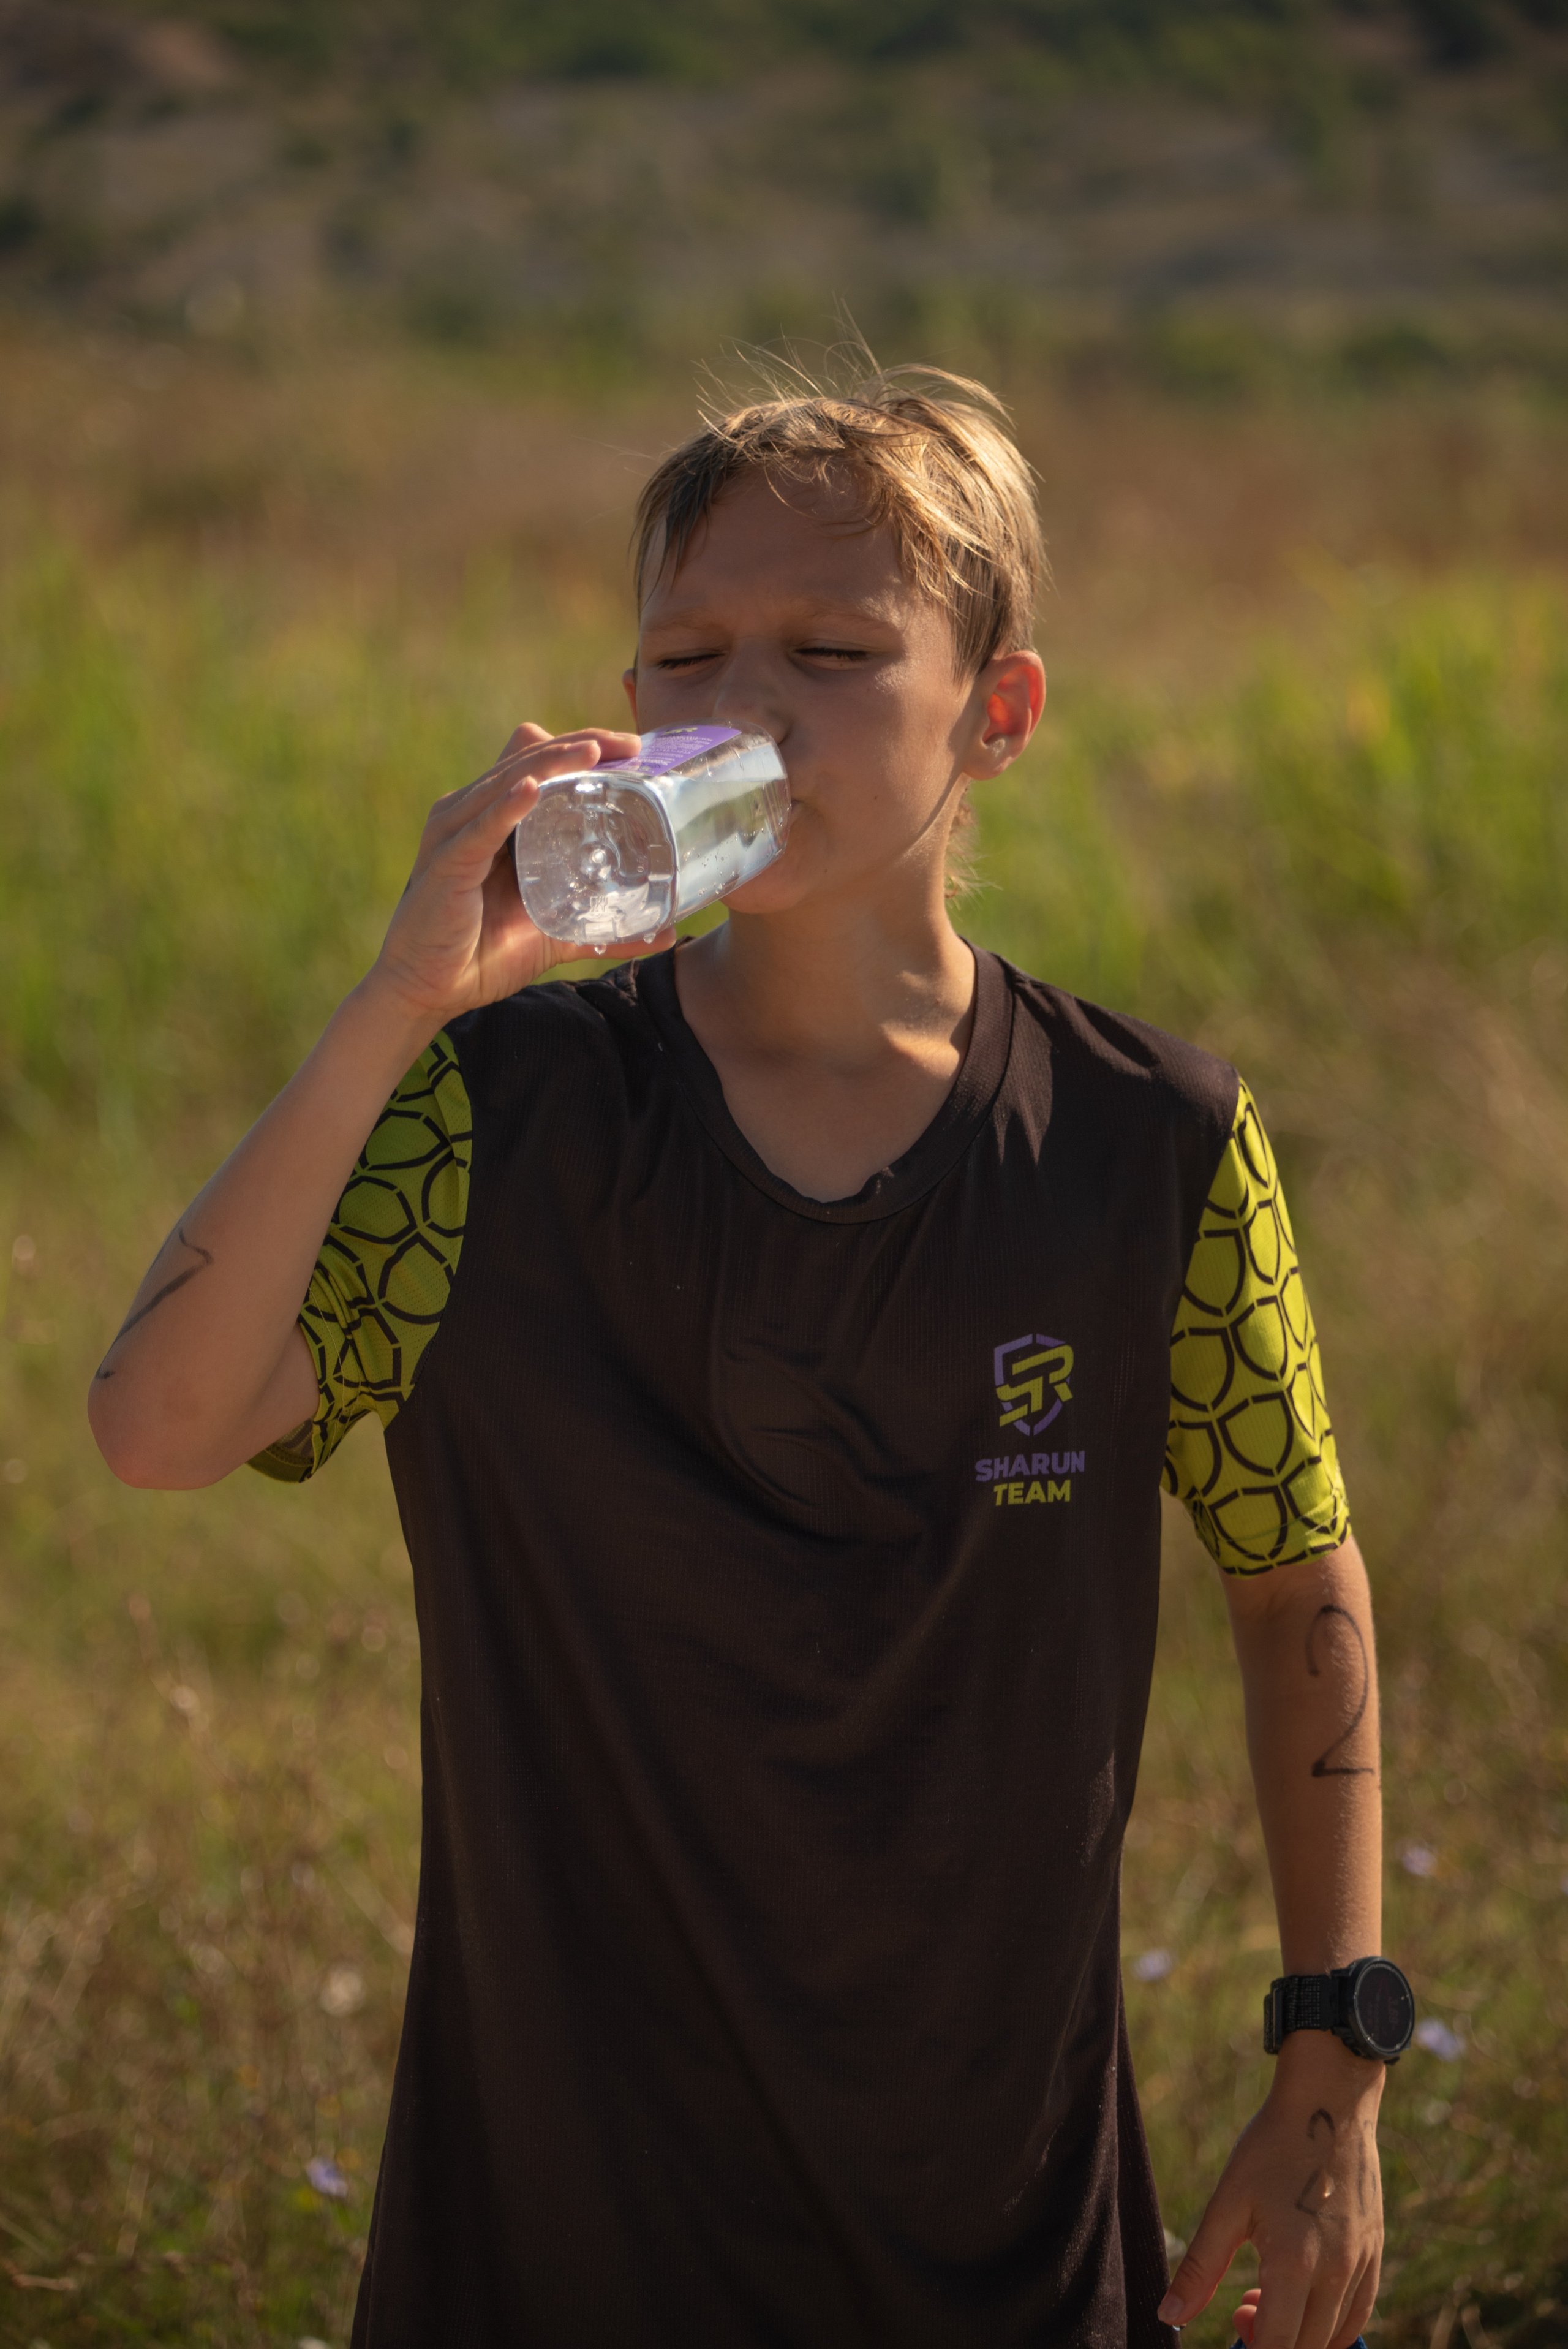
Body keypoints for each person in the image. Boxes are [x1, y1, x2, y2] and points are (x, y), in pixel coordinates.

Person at [89, 364, 1393, 2349]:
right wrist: (392, 1005)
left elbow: (1299, 1577)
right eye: (688, 653)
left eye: (835, 650)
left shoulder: (1155, 1141)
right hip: (549, 2227)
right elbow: (159, 1427)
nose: (748, 707)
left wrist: (1334, 2062)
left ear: (1001, 712)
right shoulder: (497, 1112)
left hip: (1002, 2235)